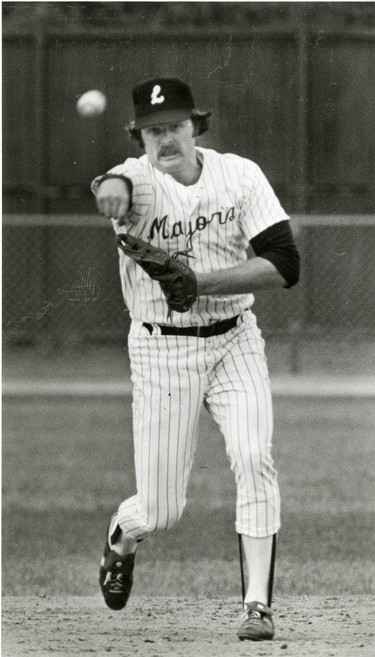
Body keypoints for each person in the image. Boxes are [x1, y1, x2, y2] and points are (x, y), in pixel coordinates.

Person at [92, 76, 300, 642]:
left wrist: (201, 282)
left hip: (236, 337)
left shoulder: (240, 174)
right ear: (140, 137)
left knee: (255, 457)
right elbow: (116, 184)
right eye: (152, 130)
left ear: (196, 126)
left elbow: (284, 262)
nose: (165, 139)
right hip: (162, 350)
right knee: (160, 511)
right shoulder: (138, 179)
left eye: (174, 127)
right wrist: (108, 189)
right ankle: (122, 535)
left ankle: (257, 605)